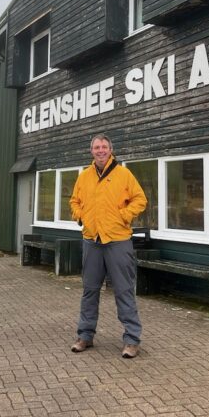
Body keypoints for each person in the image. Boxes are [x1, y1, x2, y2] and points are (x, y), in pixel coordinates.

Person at [69, 133, 147, 358]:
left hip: (118, 241)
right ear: (91, 151)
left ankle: (132, 340)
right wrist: (80, 215)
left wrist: (124, 215)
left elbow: (140, 199)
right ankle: (85, 336)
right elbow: (74, 200)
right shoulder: (84, 176)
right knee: (89, 291)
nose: (100, 150)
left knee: (123, 291)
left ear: (110, 149)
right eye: (96, 147)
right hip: (91, 240)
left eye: (104, 146)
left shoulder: (123, 174)